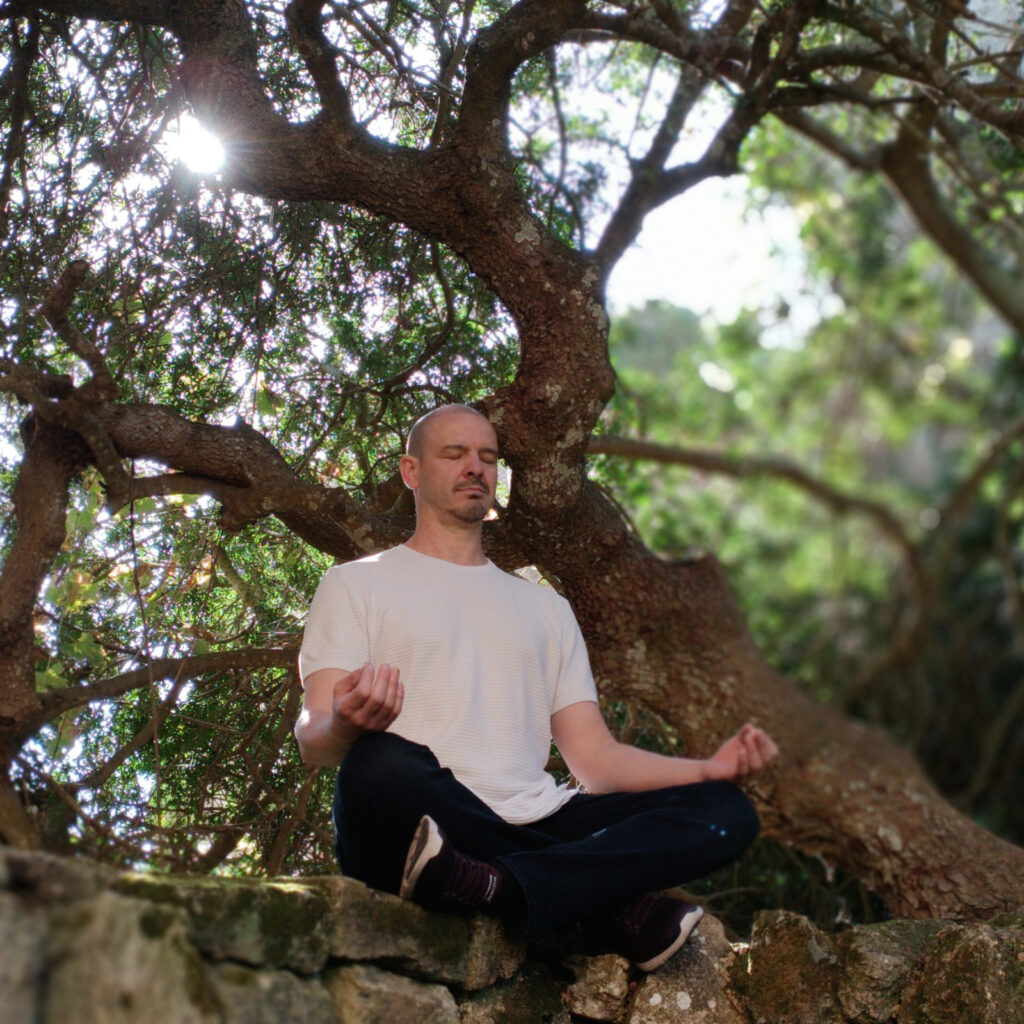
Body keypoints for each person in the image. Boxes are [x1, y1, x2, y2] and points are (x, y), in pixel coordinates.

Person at [296, 404, 778, 972]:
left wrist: (708, 771)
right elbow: (314, 740)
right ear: (411, 471)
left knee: (726, 812)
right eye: (454, 454)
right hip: (420, 828)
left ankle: (496, 885)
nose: (475, 467)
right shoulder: (356, 583)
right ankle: (599, 905)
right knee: (375, 764)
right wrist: (347, 723)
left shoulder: (545, 608)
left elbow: (595, 760)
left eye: (488, 457)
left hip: (534, 816)